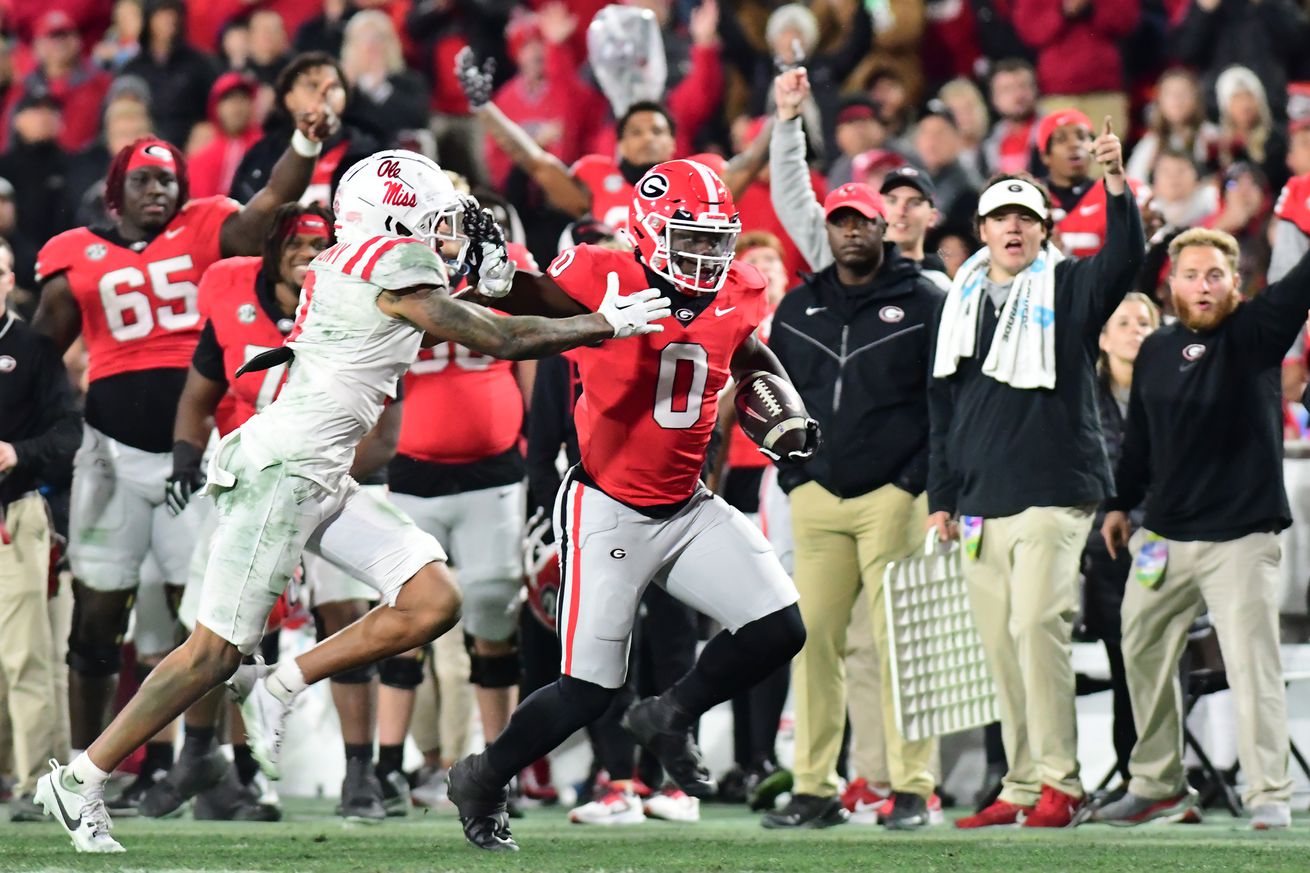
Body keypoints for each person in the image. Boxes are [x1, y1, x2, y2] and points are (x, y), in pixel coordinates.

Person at [33, 149, 670, 854]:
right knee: (211, 654)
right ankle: (80, 777)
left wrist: (508, 285)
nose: (442, 232)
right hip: (283, 470)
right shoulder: (387, 264)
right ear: (393, 220)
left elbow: (463, 311)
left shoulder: (358, 260)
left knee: (433, 599)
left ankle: (283, 683)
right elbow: (499, 338)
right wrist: (601, 324)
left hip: (321, 470)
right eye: (429, 220)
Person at [445, 159, 814, 852]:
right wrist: (499, 277)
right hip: (607, 506)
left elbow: (749, 352)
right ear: (646, 230)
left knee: (780, 627)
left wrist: (785, 410)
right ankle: (483, 775)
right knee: (587, 688)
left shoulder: (739, 287)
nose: (706, 257)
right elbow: (537, 299)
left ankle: (669, 713)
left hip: (687, 504)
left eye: (715, 241)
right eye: (690, 239)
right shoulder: (601, 272)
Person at [31, 95, 336, 783]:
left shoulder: (204, 229)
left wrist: (304, 145)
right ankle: (89, 766)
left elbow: (266, 209)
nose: (158, 190)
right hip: (109, 453)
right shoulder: (75, 254)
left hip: (195, 458)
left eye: (168, 178)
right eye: (144, 179)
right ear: (116, 193)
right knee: (96, 620)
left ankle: (215, 764)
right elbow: (40, 357)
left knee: (211, 617)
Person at [140, 204, 407, 823]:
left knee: (345, 611)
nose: (308, 250)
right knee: (214, 622)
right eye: (296, 241)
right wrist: (186, 458)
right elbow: (199, 392)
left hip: (337, 477)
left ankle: (361, 774)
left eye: (321, 241)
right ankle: (201, 760)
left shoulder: (363, 305)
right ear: (274, 250)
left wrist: (313, 491)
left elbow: (387, 430)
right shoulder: (234, 295)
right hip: (251, 483)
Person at [927, 119, 1144, 828]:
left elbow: (1124, 261)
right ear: (983, 231)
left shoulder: (1071, 287)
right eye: (1000, 217)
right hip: (981, 501)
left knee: (1035, 626)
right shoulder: (957, 303)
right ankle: (1021, 783)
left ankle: (1062, 779)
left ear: (1044, 230)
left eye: (1026, 216)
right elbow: (942, 407)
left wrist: (1115, 183)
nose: (1013, 227)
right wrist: (942, 498)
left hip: (1053, 492)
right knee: (999, 641)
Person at [1092, 227, 1310, 830]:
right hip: (1164, 535)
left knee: (1251, 664)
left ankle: (1269, 791)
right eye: (1191, 275)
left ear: (1234, 282)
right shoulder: (1158, 349)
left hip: (1239, 539)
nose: (1203, 286)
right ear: (1172, 285)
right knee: (1138, 646)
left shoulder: (1256, 333)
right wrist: (1119, 503)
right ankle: (1158, 782)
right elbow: (1140, 441)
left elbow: (1301, 285)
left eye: (1215, 275)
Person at [762, 181, 946, 831]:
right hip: (817, 497)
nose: (850, 232)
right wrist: (793, 475)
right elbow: (767, 393)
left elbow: (944, 401)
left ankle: (913, 787)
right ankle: (814, 787)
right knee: (812, 643)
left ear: (883, 227)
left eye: (862, 221)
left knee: (903, 644)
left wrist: (914, 481)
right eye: (840, 222)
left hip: (893, 496)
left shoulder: (927, 298)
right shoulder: (797, 305)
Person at [0, 238, 81, 822]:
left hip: (13, 516)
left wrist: (15, 453)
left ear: (10, 281)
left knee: (27, 656)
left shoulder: (31, 350)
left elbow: (67, 434)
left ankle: (38, 784)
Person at [1078, 293, 1160, 792]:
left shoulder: (1172, 387)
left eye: (1145, 322)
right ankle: (1132, 772)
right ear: (1103, 338)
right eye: (1123, 322)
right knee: (1121, 662)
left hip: (1166, 542)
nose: (1136, 331)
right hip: (1105, 550)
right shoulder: (1083, 395)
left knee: (1158, 663)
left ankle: (1160, 772)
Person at [1037, 108, 1147, 257]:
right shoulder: (1031, 197)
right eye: (1061, 139)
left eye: (1082, 137)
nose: (1074, 144)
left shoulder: (1123, 191)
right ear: (1045, 156)